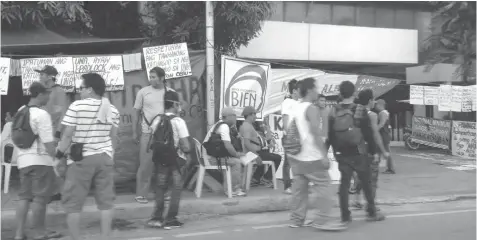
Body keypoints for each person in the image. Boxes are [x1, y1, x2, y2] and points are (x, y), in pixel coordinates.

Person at [56, 73, 120, 240]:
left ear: (90, 89)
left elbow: (67, 136)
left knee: (73, 204)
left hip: (81, 159)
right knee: (106, 203)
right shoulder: (112, 109)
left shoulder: (76, 106)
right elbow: (114, 137)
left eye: (82, 88)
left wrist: (58, 156)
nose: (80, 92)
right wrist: (109, 154)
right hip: (105, 157)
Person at [287, 78, 345, 231]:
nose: (318, 92)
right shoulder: (311, 108)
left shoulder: (295, 107)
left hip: (295, 155)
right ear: (310, 90)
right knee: (324, 185)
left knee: (299, 189)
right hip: (310, 156)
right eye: (316, 88)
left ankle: (296, 220)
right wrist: (324, 155)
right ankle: (322, 220)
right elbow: (314, 132)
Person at [327, 81, 387, 225]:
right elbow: (368, 134)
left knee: (344, 184)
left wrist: (332, 152)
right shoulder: (360, 109)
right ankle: (372, 212)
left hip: (342, 154)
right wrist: (374, 152)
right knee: (366, 183)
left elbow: (330, 135)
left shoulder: (333, 110)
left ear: (340, 93)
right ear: (354, 93)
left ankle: (345, 217)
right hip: (359, 153)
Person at [14, 82, 62, 240]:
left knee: (24, 197)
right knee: (40, 198)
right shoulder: (42, 114)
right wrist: (57, 157)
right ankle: (40, 233)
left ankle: (19, 234)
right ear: (40, 94)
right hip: (40, 160)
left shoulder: (21, 111)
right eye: (47, 94)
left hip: (23, 160)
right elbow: (48, 143)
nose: (49, 97)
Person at [147, 91, 190, 229]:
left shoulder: (157, 119)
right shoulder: (179, 121)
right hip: (176, 160)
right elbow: (185, 145)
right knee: (176, 189)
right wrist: (188, 153)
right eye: (179, 104)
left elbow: (151, 142)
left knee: (160, 188)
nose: (180, 107)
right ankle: (171, 219)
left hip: (160, 160)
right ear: (175, 104)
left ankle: (156, 218)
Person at [133, 67, 172, 203]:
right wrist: (134, 131)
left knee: (165, 164)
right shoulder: (143, 92)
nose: (151, 79)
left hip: (165, 135)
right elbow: (136, 112)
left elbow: (175, 113)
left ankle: (163, 192)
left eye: (154, 77)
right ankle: (141, 194)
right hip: (147, 134)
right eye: (150, 76)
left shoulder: (170, 92)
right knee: (145, 164)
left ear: (162, 78)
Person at [36, 65, 70, 202]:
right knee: (48, 163)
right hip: (45, 132)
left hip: (55, 133)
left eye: (42, 74)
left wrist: (57, 134)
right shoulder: (44, 92)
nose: (40, 76)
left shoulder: (59, 91)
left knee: (58, 164)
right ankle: (55, 191)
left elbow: (62, 114)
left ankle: (64, 193)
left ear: (50, 76)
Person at [203, 107, 246, 197]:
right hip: (211, 159)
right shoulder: (224, 127)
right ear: (228, 117)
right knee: (236, 162)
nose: (236, 118)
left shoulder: (221, 125)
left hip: (212, 156)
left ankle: (231, 187)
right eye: (234, 116)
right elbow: (228, 146)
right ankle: (233, 189)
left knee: (235, 160)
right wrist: (237, 155)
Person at [239, 106, 281, 188]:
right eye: (254, 114)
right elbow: (247, 143)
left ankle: (255, 179)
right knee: (277, 158)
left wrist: (266, 145)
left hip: (255, 152)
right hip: (252, 154)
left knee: (266, 153)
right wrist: (256, 156)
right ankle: (266, 179)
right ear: (250, 115)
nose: (256, 116)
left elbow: (252, 142)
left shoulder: (247, 125)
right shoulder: (247, 126)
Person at [281, 79, 300, 194]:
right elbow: (285, 118)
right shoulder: (287, 102)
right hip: (290, 136)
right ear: (294, 91)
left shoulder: (299, 103)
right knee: (288, 162)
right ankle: (287, 186)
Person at [375, 99, 395, 174]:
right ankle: (377, 167)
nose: (375, 106)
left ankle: (391, 168)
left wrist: (375, 130)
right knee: (380, 151)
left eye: (376, 104)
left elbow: (382, 124)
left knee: (386, 151)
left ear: (380, 105)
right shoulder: (383, 113)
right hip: (383, 134)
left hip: (383, 134)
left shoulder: (383, 113)